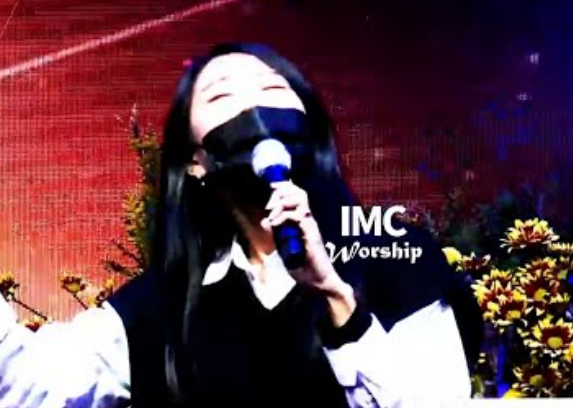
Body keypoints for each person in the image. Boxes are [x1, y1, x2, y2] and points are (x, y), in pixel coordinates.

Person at [0, 43, 483, 408]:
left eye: (274, 89)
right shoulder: (160, 304)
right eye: (222, 95)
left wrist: (336, 296)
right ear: (195, 162)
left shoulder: (397, 259)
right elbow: (30, 385)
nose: (254, 109)